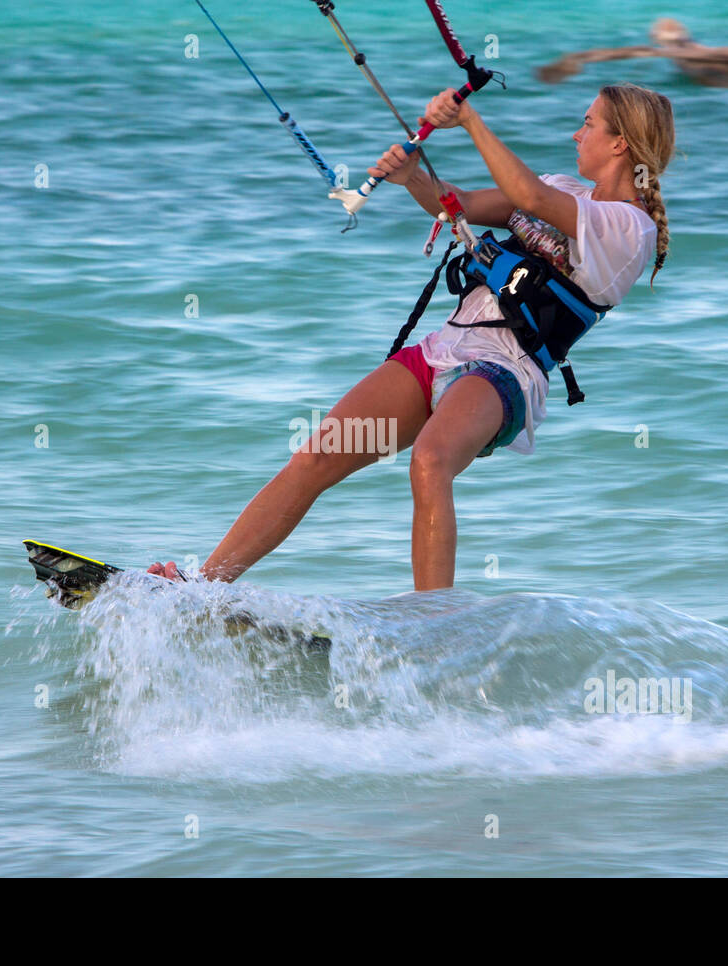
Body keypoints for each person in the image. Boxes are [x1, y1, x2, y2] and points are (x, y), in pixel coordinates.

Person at [149, 83, 674, 591]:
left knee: (430, 460)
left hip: (504, 372)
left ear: (619, 143)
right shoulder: (567, 188)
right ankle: (202, 588)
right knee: (315, 456)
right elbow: (460, 205)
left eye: (588, 123)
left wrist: (469, 119)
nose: (576, 134)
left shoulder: (630, 230)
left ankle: (433, 624)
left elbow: (527, 194)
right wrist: (412, 177)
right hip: (442, 349)